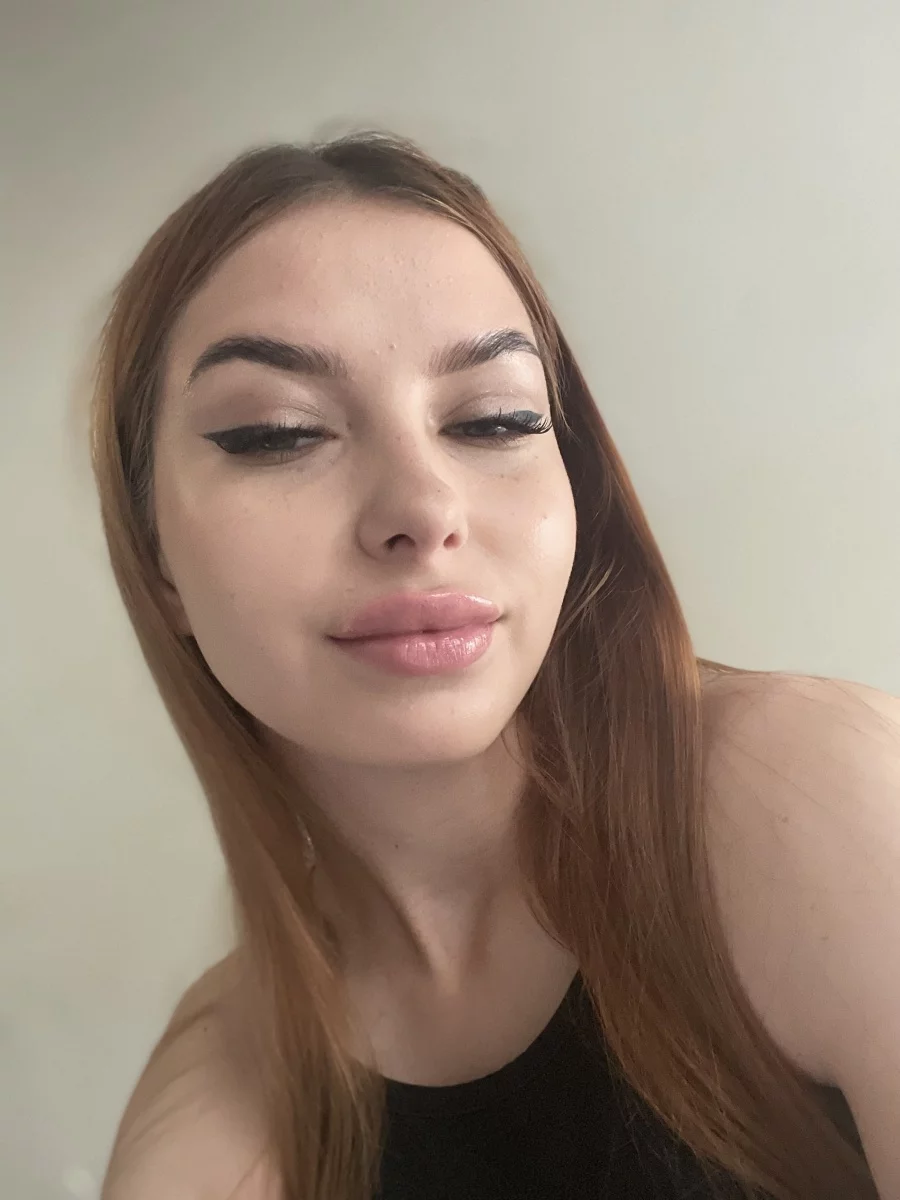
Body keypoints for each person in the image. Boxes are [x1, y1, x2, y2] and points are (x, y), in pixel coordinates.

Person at [90, 132, 898, 1200]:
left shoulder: (817, 796)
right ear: (157, 565)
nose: (424, 509)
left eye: (495, 419)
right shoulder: (222, 1089)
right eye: (280, 434)